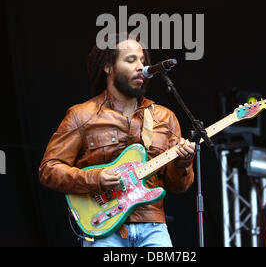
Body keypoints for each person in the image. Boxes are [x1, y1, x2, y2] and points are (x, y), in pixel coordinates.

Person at [39, 34, 196, 247]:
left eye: (143, 60)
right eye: (130, 60)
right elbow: (49, 169)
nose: (141, 67)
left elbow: (177, 186)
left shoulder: (164, 117)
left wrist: (183, 163)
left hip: (153, 227)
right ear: (108, 67)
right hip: (103, 227)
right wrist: (96, 178)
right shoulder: (82, 115)